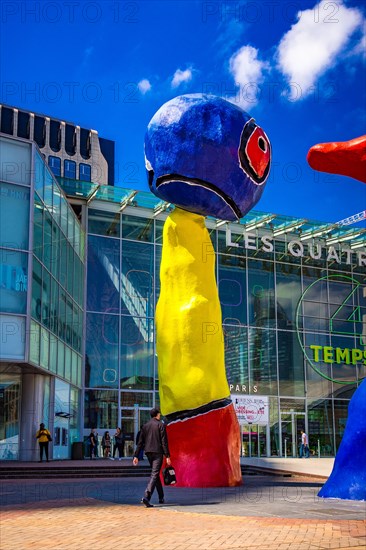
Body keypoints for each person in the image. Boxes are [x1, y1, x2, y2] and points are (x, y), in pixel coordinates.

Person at [133, 407, 171, 507]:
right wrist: (167, 456)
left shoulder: (145, 426)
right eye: (160, 414)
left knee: (156, 474)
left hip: (148, 453)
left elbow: (140, 442)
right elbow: (164, 442)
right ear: (157, 414)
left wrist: (136, 456)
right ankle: (146, 496)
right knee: (154, 474)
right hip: (158, 453)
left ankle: (161, 496)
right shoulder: (160, 425)